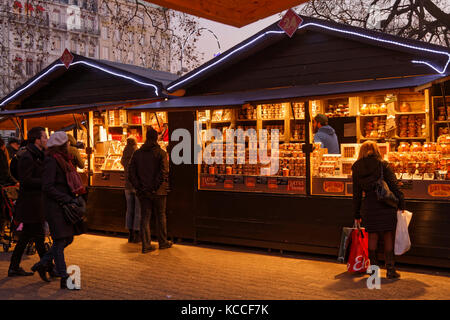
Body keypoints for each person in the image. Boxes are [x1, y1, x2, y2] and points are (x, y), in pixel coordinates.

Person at [31, 131, 86, 290]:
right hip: (55, 207)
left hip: (62, 205)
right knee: (61, 241)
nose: (69, 146)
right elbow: (47, 186)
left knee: (67, 239)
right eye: (67, 144)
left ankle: (42, 264)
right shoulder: (52, 161)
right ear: (62, 146)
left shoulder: (63, 159)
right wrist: (66, 198)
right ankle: (64, 278)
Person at [352, 141, 405, 279]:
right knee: (388, 235)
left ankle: (374, 271)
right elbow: (394, 185)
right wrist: (401, 203)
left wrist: (356, 213)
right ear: (376, 150)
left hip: (369, 205)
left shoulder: (356, 167)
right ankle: (391, 270)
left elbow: (356, 194)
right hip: (386, 204)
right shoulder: (383, 164)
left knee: (373, 236)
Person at [8, 127, 49, 277]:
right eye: (44, 137)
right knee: (38, 236)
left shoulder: (38, 155)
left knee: (27, 236)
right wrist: (44, 181)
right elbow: (26, 180)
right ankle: (47, 267)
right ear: (37, 140)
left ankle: (14, 267)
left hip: (35, 202)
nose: (46, 139)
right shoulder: (28, 156)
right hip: (31, 203)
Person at [129, 127, 172, 253]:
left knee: (145, 217)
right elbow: (163, 172)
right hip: (159, 192)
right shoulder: (161, 153)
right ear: (156, 138)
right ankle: (163, 242)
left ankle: (146, 245)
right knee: (161, 216)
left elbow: (131, 173)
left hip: (143, 192)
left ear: (146, 138)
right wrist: (154, 187)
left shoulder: (137, 154)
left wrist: (140, 187)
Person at [120, 136, 141, 243]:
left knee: (129, 210)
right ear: (135, 143)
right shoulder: (137, 152)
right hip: (136, 186)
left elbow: (122, 164)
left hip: (127, 186)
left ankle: (130, 233)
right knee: (138, 210)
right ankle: (137, 234)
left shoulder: (124, 154)